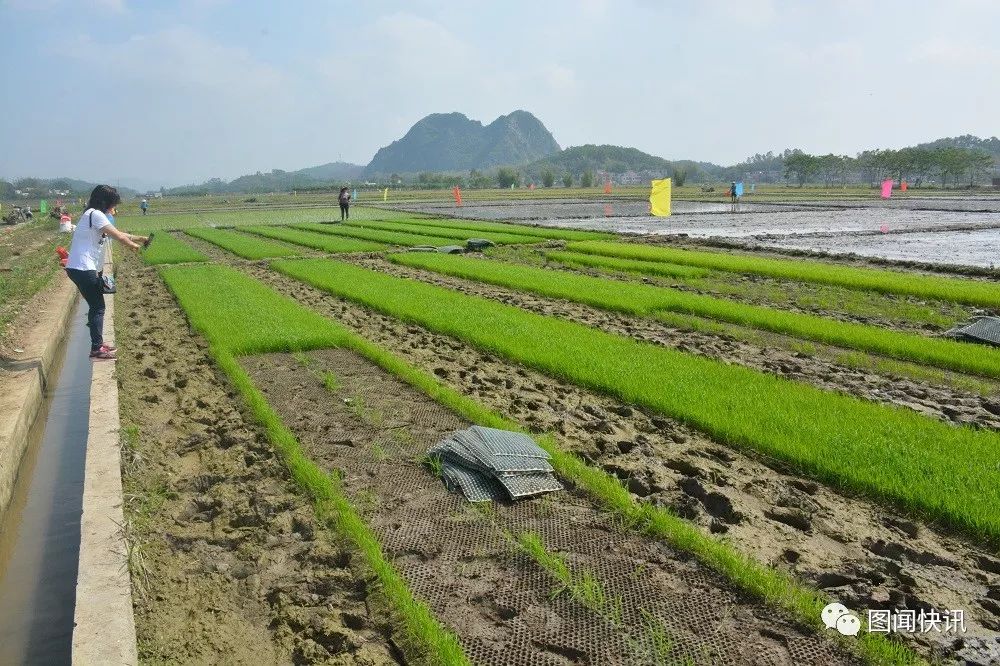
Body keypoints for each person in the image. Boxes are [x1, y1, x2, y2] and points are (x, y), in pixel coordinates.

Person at [65, 185, 148, 360]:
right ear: (105, 202)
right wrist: (133, 246)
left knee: (96, 306)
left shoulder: (91, 215)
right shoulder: (96, 214)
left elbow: (116, 232)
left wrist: (140, 238)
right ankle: (96, 348)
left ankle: (98, 344)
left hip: (79, 267)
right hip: (83, 267)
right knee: (98, 307)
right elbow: (118, 236)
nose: (113, 208)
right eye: (112, 204)